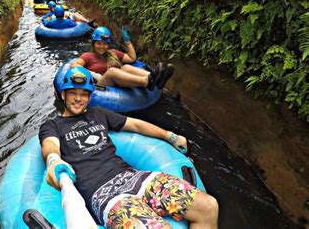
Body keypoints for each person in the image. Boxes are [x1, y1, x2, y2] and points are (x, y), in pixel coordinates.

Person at [39, 66, 219, 228]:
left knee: (208, 207)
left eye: (84, 94)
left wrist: (169, 136)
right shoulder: (53, 125)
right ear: (63, 94)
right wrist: (53, 159)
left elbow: (135, 125)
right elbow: (50, 145)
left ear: (89, 96)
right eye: (73, 93)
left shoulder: (98, 113)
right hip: (105, 197)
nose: (78, 99)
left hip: (135, 178)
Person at [71, 26, 174, 90]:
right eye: (98, 43)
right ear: (93, 43)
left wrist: (127, 42)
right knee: (112, 71)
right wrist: (95, 75)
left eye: (105, 44)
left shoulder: (113, 53)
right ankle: (146, 82)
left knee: (126, 67)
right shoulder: (88, 56)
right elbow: (74, 65)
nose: (102, 47)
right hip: (101, 85)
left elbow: (132, 58)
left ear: (108, 44)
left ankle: (155, 77)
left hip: (118, 82)